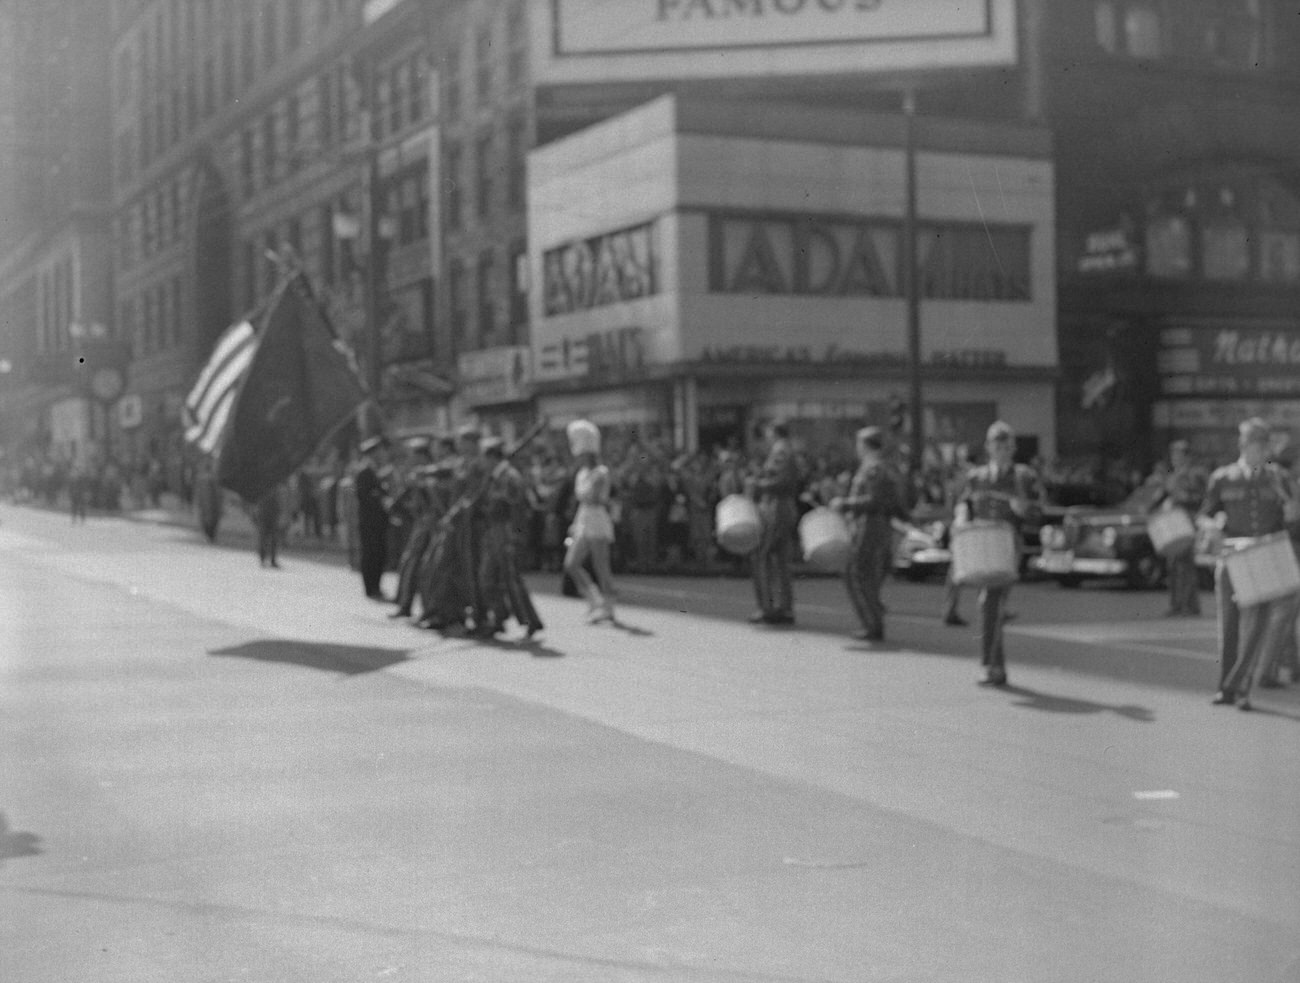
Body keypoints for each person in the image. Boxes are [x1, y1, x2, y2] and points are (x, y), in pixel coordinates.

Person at [1200, 418, 1300, 710]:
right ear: (1243, 446)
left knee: (1255, 627)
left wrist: (1293, 513)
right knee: (1229, 625)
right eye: (1256, 445)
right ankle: (1225, 689)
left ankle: (1242, 690)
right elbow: (1205, 513)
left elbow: (1292, 523)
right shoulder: (1223, 477)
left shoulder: (1278, 478)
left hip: (1265, 557)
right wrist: (1212, 525)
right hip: (1233, 557)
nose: (1260, 451)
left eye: (1264, 446)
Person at [955, 421, 1043, 687]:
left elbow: (1039, 512)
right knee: (991, 604)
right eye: (997, 445)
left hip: (1008, 545)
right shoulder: (977, 476)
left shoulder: (1024, 476)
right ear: (988, 447)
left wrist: (1023, 510)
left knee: (990, 602)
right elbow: (963, 503)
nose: (1002, 450)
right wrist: (961, 517)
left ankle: (990, 666)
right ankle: (996, 667)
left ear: (1014, 447)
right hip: (981, 546)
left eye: (1007, 446)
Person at [832, 427, 907, 642]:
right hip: (872, 526)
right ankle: (873, 620)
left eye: (858, 444)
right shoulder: (876, 467)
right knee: (863, 574)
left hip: (870, 526)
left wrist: (844, 504)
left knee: (858, 573)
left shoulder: (873, 468)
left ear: (865, 445)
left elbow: (874, 500)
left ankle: (873, 623)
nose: (856, 449)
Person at [476, 437, 544, 638]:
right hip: (493, 531)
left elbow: (517, 508)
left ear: (491, 457)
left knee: (511, 578)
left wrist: (516, 536)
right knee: (487, 577)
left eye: (484, 457)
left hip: (506, 531)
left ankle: (531, 621)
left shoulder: (510, 476)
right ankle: (498, 617)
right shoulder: (495, 476)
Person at [563, 420, 617, 624]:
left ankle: (608, 607)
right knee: (571, 564)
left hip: (597, 520)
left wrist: (588, 494)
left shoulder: (601, 472)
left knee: (601, 566)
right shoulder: (582, 474)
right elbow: (583, 501)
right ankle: (594, 600)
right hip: (584, 519)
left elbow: (593, 497)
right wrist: (575, 523)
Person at [749, 421, 801, 625]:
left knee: (761, 556)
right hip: (783, 507)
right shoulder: (787, 449)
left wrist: (758, 484)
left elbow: (782, 482)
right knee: (781, 561)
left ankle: (767, 607)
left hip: (775, 507)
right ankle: (784, 607)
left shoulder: (780, 451)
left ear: (773, 433)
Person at [1150, 439, 1205, 617]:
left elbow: (1202, 497)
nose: (1176, 458)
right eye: (1174, 454)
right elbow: (1162, 496)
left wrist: (1184, 497)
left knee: (1185, 566)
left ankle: (1189, 606)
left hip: (1186, 521)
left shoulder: (1195, 474)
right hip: (1172, 524)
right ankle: (1176, 604)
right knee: (1173, 565)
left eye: (1179, 454)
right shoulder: (1172, 475)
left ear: (1187, 457)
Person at [354, 435, 391, 600]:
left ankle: (376, 586)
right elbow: (363, 496)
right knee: (371, 554)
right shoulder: (365, 472)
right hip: (369, 521)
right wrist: (378, 497)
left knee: (379, 553)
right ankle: (371, 587)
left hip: (379, 521)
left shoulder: (376, 471)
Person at [253, 486, 282, 568]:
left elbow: (278, 503)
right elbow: (257, 504)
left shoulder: (276, 488)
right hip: (264, 516)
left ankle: (273, 559)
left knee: (273, 539)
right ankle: (263, 558)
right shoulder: (262, 488)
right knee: (263, 538)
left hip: (272, 516)